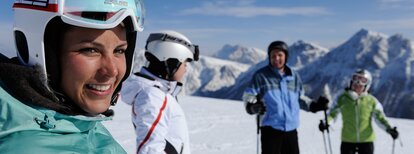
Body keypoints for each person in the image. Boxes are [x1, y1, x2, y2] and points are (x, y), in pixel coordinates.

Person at [0, 0, 144, 153]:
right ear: (44, 53)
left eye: (119, 51)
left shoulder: (77, 124)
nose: (112, 70)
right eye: (90, 50)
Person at [243, 40, 329, 154]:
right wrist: (251, 106)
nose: (276, 58)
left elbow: (299, 98)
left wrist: (313, 106)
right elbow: (249, 95)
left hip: (291, 131)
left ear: (286, 56)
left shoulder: (294, 76)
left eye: (280, 55)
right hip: (270, 131)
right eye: (273, 56)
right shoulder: (261, 76)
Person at [121, 30, 199, 154]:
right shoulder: (152, 96)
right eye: (184, 62)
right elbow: (150, 150)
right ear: (171, 61)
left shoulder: (158, 93)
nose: (186, 68)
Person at [318, 69, 399, 154]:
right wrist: (325, 123)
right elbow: (332, 114)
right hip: (348, 140)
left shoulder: (371, 101)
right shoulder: (342, 99)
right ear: (351, 83)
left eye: (361, 84)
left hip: (366, 141)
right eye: (355, 82)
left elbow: (380, 118)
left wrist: (390, 129)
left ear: (366, 86)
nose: (357, 85)